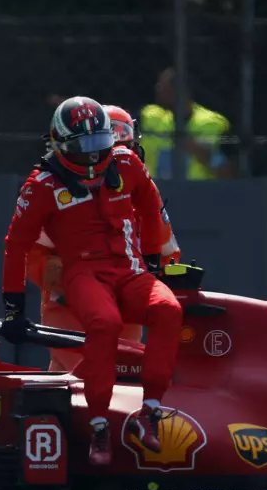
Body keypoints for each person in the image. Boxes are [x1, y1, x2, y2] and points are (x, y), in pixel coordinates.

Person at [2, 97, 185, 466]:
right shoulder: (45, 186)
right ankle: (92, 428)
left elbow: (165, 247)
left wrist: (153, 269)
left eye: (113, 145)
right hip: (77, 298)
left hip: (128, 283)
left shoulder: (129, 171)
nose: (96, 158)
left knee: (153, 330)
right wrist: (19, 304)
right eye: (84, 148)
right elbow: (29, 255)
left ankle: (147, 414)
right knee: (88, 354)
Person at [26, 104, 180, 372]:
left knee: (125, 382)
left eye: (123, 150)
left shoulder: (142, 189)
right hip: (71, 312)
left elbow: (168, 255)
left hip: (126, 316)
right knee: (77, 383)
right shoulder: (55, 188)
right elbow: (33, 257)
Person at [140, 66, 233, 180]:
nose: (157, 90)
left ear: (178, 92)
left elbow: (230, 173)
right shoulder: (151, 117)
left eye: (162, 88)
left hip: (197, 193)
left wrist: (201, 153)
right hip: (157, 193)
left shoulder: (212, 123)